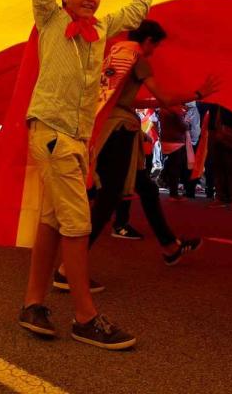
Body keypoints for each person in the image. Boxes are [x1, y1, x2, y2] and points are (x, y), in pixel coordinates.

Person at [15, 0, 158, 351]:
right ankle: (84, 316)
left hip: (75, 138)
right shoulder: (51, 19)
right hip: (52, 132)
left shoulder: (102, 29)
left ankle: (33, 303)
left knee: (54, 222)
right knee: (77, 225)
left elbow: (135, 11)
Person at [70, 20, 215, 280]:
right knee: (110, 196)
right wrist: (198, 93)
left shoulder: (116, 54)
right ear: (148, 41)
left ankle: (170, 247)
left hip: (108, 127)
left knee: (146, 188)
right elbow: (165, 97)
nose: (154, 51)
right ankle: (69, 268)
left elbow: (128, 99)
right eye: (155, 46)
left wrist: (156, 103)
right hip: (120, 131)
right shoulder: (137, 58)